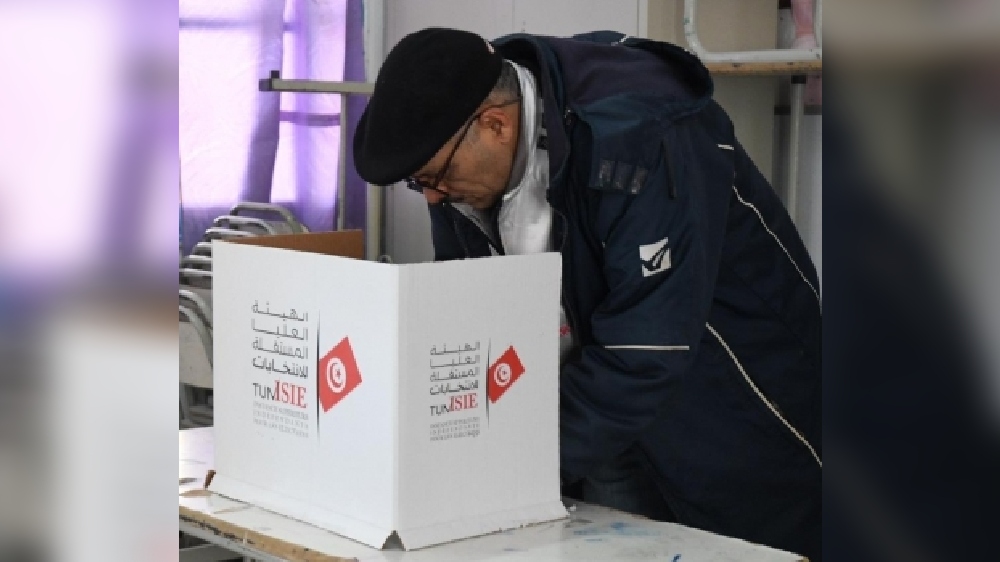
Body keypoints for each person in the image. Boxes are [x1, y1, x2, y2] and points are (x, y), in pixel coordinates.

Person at [353, 28, 822, 560]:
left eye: (435, 177)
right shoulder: (461, 142)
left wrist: (506, 471)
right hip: (595, 409)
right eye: (419, 184)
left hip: (730, 400)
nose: (434, 198)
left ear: (496, 124)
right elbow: (470, 316)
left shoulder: (641, 136)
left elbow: (646, 350)